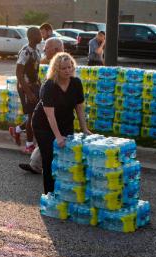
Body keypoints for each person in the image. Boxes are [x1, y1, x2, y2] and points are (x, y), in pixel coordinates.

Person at [32, 52, 91, 194]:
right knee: (50, 158)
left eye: (70, 67)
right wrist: (57, 136)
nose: (67, 71)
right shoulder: (49, 86)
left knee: (66, 158)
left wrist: (84, 129)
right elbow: (49, 115)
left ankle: (64, 191)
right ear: (56, 69)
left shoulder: (76, 83)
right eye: (64, 68)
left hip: (66, 122)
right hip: (44, 125)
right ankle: (50, 193)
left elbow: (79, 108)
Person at [19, 37, 64, 174]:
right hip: (50, 108)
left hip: (56, 109)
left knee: (51, 135)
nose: (44, 49)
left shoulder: (62, 64)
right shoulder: (54, 62)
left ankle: (46, 166)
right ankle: (36, 164)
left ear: (56, 49)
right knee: (46, 136)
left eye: (47, 47)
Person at [9, 27, 42, 154]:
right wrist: (28, 92)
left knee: (36, 113)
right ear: (32, 36)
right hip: (26, 87)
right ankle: (29, 145)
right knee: (31, 115)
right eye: (38, 34)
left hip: (35, 85)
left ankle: (16, 130)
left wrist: (39, 84)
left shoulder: (36, 51)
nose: (41, 36)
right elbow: (19, 73)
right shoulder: (25, 51)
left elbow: (35, 70)